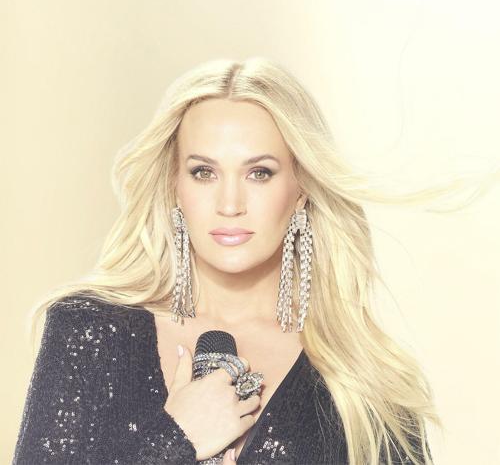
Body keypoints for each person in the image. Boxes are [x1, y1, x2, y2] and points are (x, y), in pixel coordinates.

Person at [15, 56, 466, 464]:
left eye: (259, 173)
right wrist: (174, 441)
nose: (230, 204)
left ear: (301, 188)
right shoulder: (89, 332)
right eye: (204, 172)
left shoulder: (361, 381)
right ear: (175, 185)